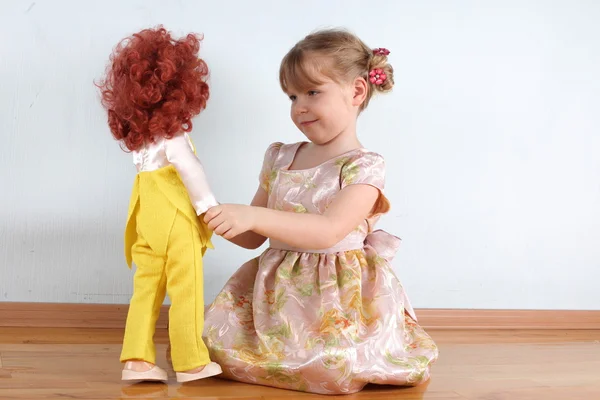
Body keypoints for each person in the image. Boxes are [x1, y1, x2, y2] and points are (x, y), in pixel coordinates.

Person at [202, 28, 438, 395]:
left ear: (357, 91)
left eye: (313, 92)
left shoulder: (363, 166)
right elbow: (252, 238)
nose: (299, 107)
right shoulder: (280, 157)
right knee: (210, 345)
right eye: (293, 96)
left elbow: (330, 229)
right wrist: (209, 212)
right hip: (276, 295)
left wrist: (253, 217)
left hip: (335, 298)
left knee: (334, 367)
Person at [97, 26, 222, 383]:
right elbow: (190, 171)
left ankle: (137, 359)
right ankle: (190, 360)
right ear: (181, 89)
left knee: (147, 284)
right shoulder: (173, 137)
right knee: (187, 283)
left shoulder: (140, 139)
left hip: (144, 213)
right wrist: (208, 209)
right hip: (173, 213)